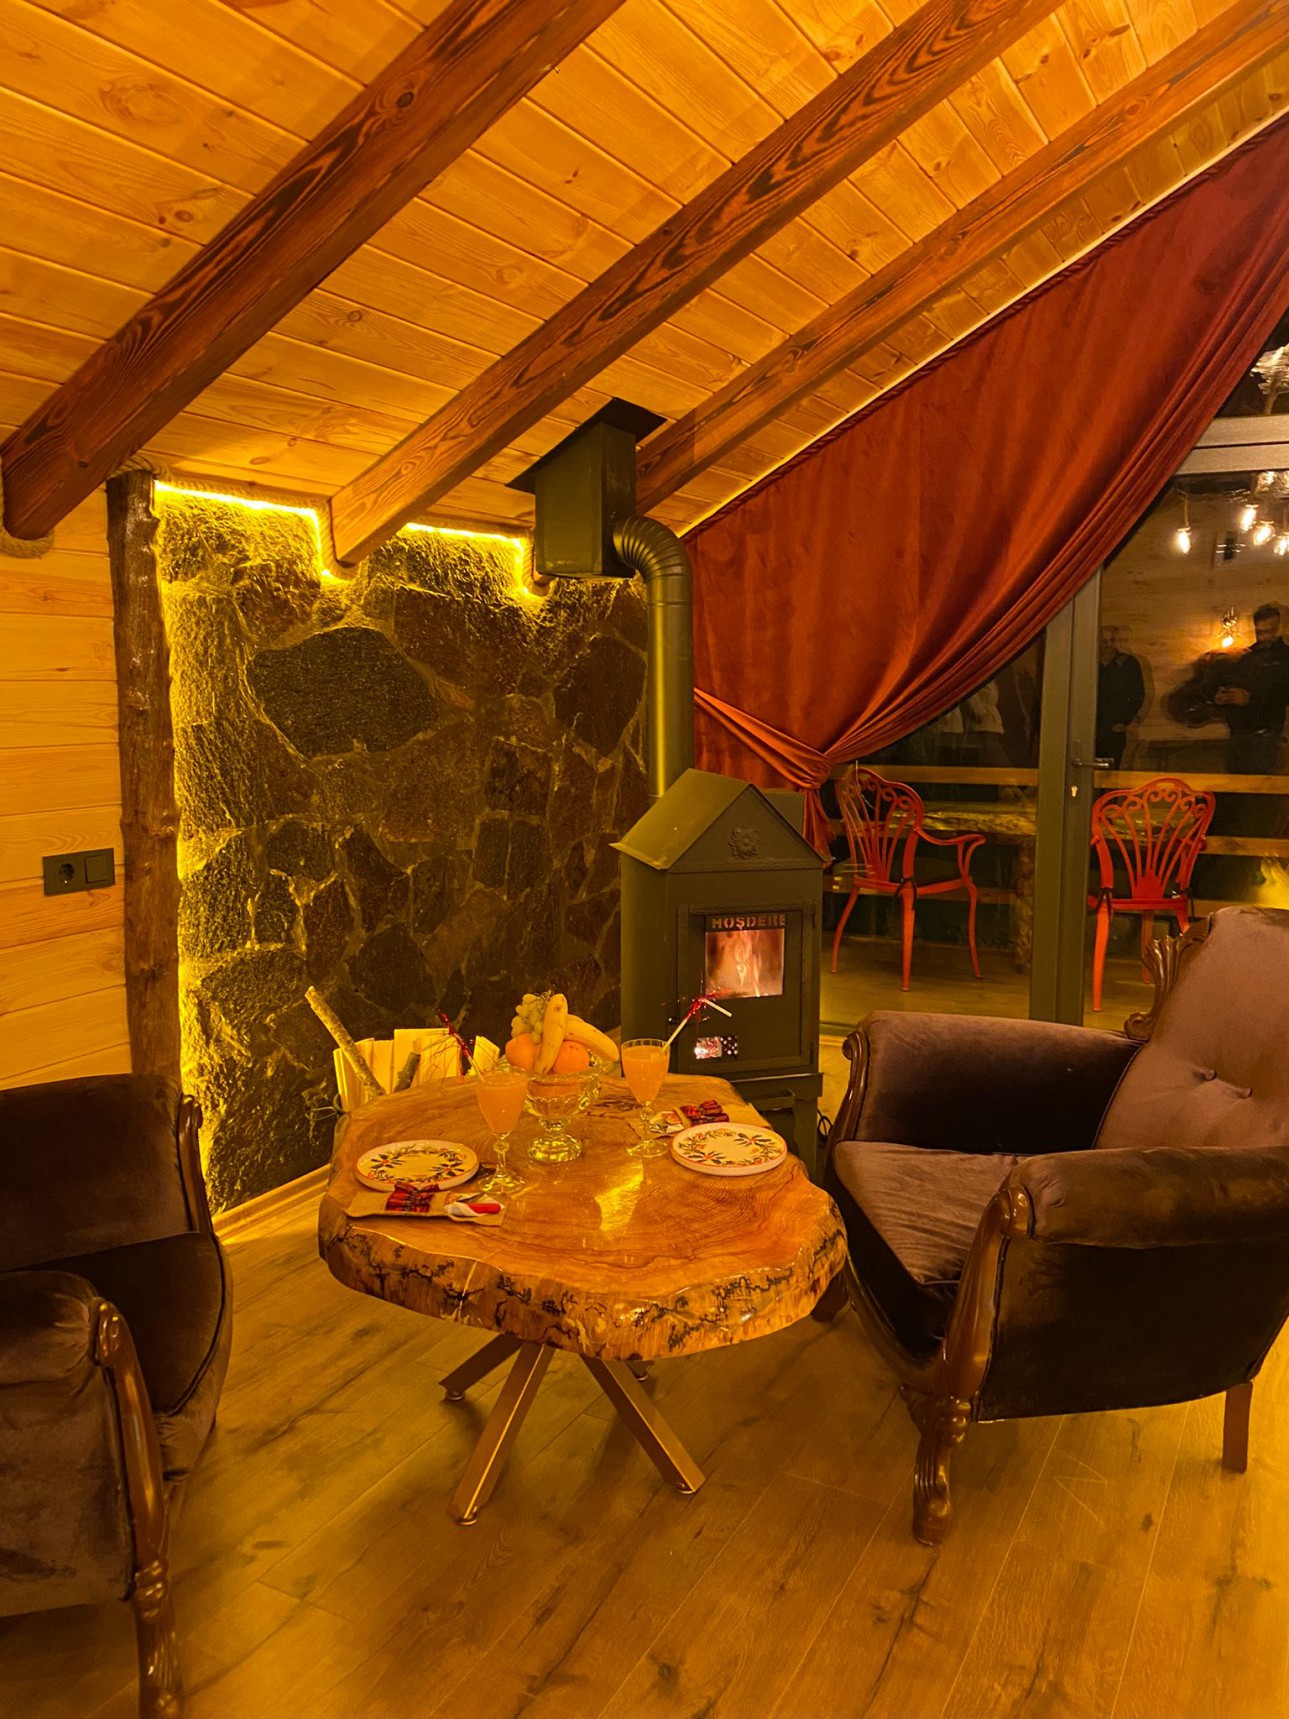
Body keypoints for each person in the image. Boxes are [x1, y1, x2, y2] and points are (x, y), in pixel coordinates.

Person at [1208, 602, 1289, 774]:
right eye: (1260, 632)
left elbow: (1284, 694)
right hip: (1237, 735)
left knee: (1258, 788)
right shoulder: (1245, 657)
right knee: (1233, 786)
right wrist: (1221, 696)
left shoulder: (1286, 658)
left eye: (1270, 631)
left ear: (1280, 628)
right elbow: (1227, 683)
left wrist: (1250, 698)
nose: (1265, 637)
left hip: (1266, 737)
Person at [1096, 626, 1146, 768]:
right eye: (1104, 641)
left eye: (1111, 640)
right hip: (1090, 727)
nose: (1109, 644)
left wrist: (1123, 721)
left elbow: (1137, 695)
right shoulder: (1087, 663)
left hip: (1114, 728)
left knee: (1111, 771)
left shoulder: (1128, 663)